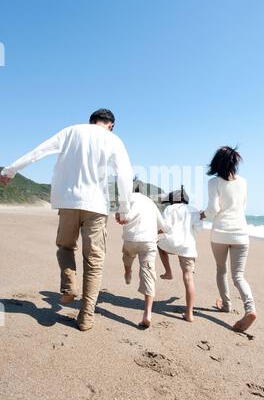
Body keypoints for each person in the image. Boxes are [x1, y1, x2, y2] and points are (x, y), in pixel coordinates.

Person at [0, 109, 133, 331]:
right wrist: (124, 207)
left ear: (91, 121)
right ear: (111, 124)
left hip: (68, 201)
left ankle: (69, 284)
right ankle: (85, 316)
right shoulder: (114, 139)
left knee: (65, 247)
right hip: (97, 206)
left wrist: (11, 170)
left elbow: (39, 151)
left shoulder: (71, 131)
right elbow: (125, 174)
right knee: (94, 261)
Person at [200, 146, 256, 333]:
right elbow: (243, 206)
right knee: (239, 276)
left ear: (217, 163)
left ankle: (226, 304)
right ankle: (250, 308)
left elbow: (213, 209)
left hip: (220, 234)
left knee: (221, 269)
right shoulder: (244, 182)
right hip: (241, 233)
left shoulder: (213, 182)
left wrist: (202, 215)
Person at [116, 183, 170, 328]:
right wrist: (158, 232)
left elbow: (122, 217)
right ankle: (147, 313)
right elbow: (163, 226)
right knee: (148, 274)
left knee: (127, 256)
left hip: (131, 239)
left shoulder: (126, 199)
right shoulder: (150, 202)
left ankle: (128, 272)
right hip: (148, 242)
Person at [158, 186, 203, 322]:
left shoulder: (169, 209)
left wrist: (155, 232)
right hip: (187, 247)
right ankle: (189, 314)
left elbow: (166, 227)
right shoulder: (194, 210)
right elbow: (198, 229)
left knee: (159, 246)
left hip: (171, 243)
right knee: (188, 279)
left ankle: (168, 272)